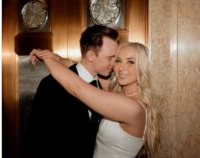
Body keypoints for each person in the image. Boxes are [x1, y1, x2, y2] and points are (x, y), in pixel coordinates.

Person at [30, 42, 159, 158]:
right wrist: (59, 59)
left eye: (131, 62)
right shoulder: (120, 95)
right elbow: (88, 68)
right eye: (118, 61)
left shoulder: (132, 108)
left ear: (142, 67)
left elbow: (77, 87)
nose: (121, 68)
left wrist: (49, 60)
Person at [24, 25, 119, 158]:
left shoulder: (102, 84)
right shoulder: (52, 84)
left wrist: (61, 60)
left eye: (115, 58)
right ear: (91, 55)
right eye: (110, 58)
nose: (114, 63)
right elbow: (35, 139)